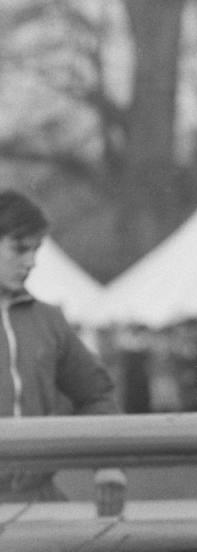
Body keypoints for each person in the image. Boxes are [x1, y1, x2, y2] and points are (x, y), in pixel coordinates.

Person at [0, 190, 126, 516]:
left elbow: (95, 394)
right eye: (19, 249)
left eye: (36, 249)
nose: (31, 262)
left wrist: (107, 462)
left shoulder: (48, 320)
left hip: (37, 505)